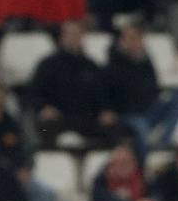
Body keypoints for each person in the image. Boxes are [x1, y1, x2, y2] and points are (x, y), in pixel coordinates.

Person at [31, 20, 120, 148]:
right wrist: (43, 107)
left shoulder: (92, 66)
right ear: (62, 37)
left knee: (112, 125)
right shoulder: (47, 65)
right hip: (59, 118)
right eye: (70, 34)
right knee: (47, 125)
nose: (74, 38)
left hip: (87, 118)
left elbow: (103, 95)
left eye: (78, 34)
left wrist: (105, 110)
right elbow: (35, 93)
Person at [105, 23, 178, 161]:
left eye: (137, 38)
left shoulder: (145, 61)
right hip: (128, 114)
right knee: (142, 129)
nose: (135, 42)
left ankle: (164, 141)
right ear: (122, 41)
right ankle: (144, 163)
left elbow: (153, 86)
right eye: (130, 38)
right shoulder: (113, 64)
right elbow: (108, 92)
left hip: (149, 109)